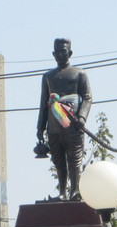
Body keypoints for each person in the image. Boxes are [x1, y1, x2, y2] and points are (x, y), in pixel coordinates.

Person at [37, 38, 93, 200]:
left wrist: (81, 118)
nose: (61, 54)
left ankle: (75, 190)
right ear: (53, 54)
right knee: (58, 159)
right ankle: (62, 192)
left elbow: (88, 98)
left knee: (74, 158)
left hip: (73, 123)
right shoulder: (48, 76)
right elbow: (43, 103)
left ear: (70, 53)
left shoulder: (79, 74)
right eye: (58, 51)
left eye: (64, 51)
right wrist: (40, 127)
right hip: (54, 125)